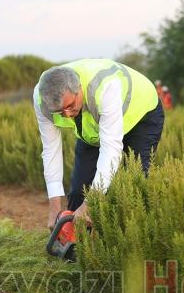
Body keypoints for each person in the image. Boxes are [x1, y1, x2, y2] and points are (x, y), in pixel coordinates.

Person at [33, 59, 165, 229]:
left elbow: (111, 149)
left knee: (132, 188)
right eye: (59, 112)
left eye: (70, 106)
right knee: (78, 192)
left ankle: (128, 242)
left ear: (79, 88)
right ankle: (78, 247)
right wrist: (54, 209)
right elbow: (51, 150)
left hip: (141, 114)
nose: (66, 115)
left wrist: (89, 203)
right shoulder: (41, 99)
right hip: (95, 126)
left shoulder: (105, 86)